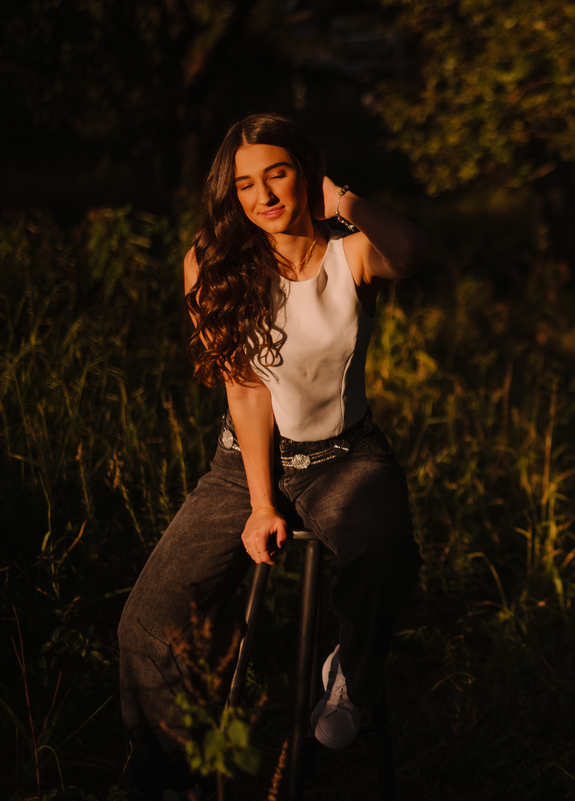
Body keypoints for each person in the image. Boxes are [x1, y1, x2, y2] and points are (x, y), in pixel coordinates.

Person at [117, 112, 425, 794]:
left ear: (306, 173)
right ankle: (182, 772)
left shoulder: (351, 252)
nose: (264, 195)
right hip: (243, 462)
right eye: (246, 183)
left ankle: (347, 674)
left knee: (386, 549)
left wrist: (343, 199)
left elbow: (410, 249)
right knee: (146, 619)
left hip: (346, 455)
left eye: (278, 173)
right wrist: (260, 503)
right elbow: (245, 387)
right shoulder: (213, 261)